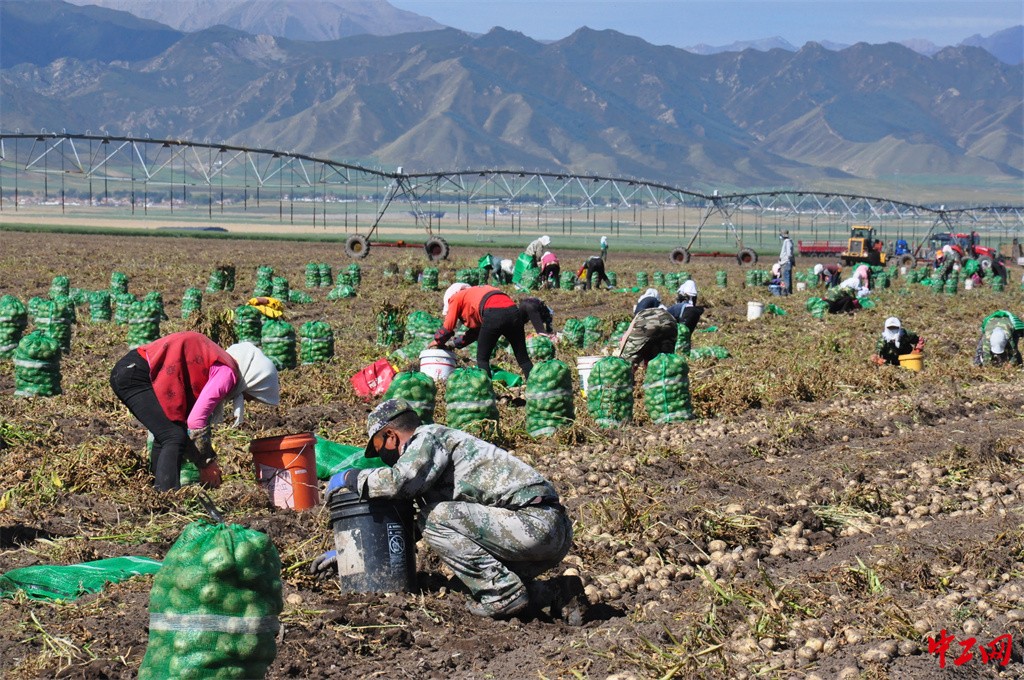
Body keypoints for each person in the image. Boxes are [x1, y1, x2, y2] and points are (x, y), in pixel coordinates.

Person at [314, 399, 573, 619]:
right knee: (462, 587)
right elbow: (411, 528)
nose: (381, 457)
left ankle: (502, 594)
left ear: (390, 436)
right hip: (549, 531)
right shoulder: (435, 457)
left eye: (379, 449)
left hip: (532, 523)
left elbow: (398, 483)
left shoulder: (428, 438)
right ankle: (559, 593)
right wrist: (356, 550)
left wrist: (349, 478)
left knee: (434, 517)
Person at [109, 331, 280, 492]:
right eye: (253, 395)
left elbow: (188, 423)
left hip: (130, 370)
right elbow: (195, 422)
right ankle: (166, 498)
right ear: (253, 380)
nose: (249, 400)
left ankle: (156, 494)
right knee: (173, 436)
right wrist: (206, 463)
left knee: (168, 434)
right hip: (136, 374)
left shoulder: (219, 363)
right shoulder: (227, 373)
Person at [430, 283, 533, 379]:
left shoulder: (455, 297)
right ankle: (536, 388)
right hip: (513, 312)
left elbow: (448, 326)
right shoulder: (476, 293)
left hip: (493, 313)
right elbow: (476, 332)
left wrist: (438, 340)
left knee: (483, 359)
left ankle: (486, 392)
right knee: (523, 358)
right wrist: (453, 344)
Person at [778, 229, 794, 296]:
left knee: (786, 278)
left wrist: (788, 259)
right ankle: (789, 292)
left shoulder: (787, 242)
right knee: (787, 278)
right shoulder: (788, 241)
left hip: (785, 263)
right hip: (787, 262)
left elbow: (789, 254)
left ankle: (787, 292)